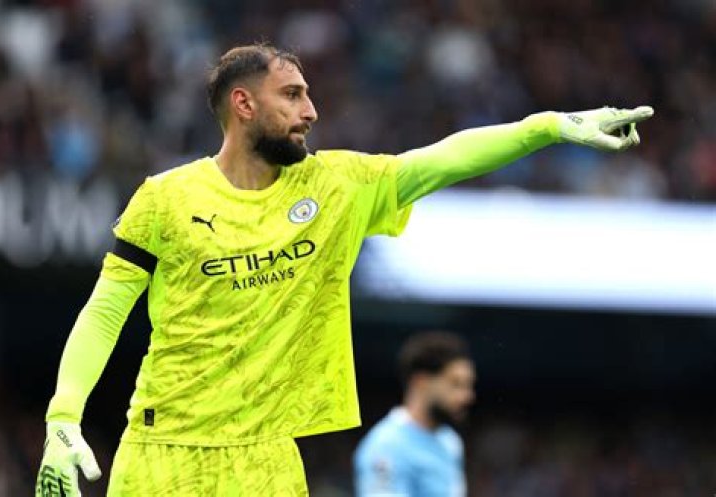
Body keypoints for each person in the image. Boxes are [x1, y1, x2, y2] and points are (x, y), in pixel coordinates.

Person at [34, 42, 653, 496]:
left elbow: (441, 160)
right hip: (163, 451)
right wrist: (63, 418)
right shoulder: (165, 199)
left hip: (269, 457)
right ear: (243, 103)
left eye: (308, 94)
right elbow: (106, 311)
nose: (311, 111)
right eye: (292, 95)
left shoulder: (337, 186)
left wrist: (550, 127)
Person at [354, 331, 476, 496]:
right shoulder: (386, 446)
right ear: (421, 382)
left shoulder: (450, 441)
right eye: (455, 384)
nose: (467, 396)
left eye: (468, 385)